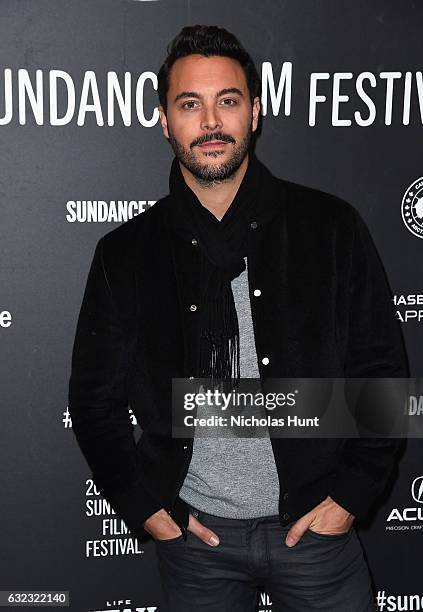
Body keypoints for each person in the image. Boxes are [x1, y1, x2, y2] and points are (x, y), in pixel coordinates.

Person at [68, 24, 409, 611]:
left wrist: (350, 496)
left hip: (317, 530)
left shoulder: (328, 227)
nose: (210, 123)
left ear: (254, 112)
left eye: (227, 101)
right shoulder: (127, 253)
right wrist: (149, 510)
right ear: (163, 119)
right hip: (195, 540)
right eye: (189, 104)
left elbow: (381, 371)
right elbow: (93, 401)